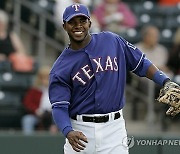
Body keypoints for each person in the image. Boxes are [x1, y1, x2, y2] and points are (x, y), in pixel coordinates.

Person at [48, 4, 179, 153]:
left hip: (114, 129)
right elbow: (59, 106)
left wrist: (165, 81)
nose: (78, 25)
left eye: (82, 21)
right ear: (64, 26)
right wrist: (67, 131)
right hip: (80, 132)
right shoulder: (60, 67)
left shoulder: (111, 41)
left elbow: (140, 63)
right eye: (72, 22)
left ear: (90, 23)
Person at [22, 66, 58, 135]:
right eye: (43, 78)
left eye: (48, 78)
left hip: (53, 115)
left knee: (58, 119)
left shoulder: (57, 90)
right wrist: (36, 110)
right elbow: (27, 102)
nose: (46, 80)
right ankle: (28, 141)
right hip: (37, 114)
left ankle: (54, 137)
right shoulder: (34, 90)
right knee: (27, 120)